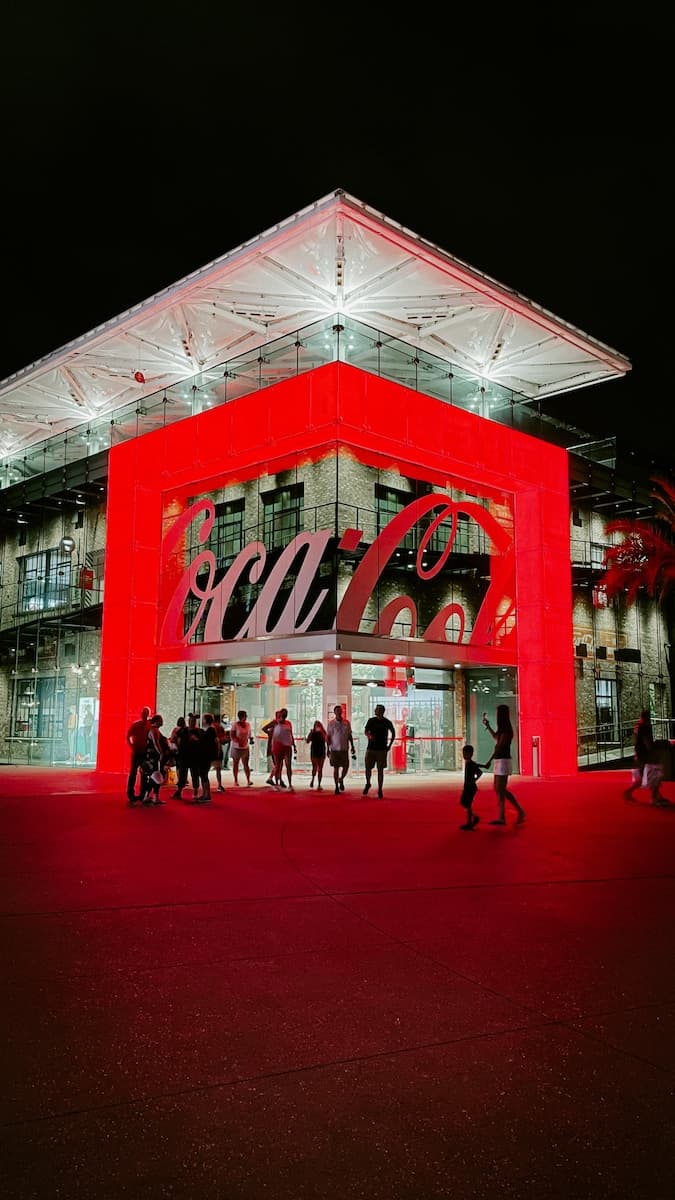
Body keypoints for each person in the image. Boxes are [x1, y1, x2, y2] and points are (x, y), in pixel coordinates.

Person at [482, 705, 526, 825]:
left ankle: (516, 812)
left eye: (498, 714)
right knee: (498, 789)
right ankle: (504, 815)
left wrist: (489, 760)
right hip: (499, 760)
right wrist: (488, 726)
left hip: (503, 761)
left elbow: (500, 746)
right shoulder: (503, 729)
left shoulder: (507, 731)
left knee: (500, 789)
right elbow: (496, 738)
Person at [624, 709, 671, 806]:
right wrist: (654, 749)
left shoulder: (638, 726)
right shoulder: (644, 727)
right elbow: (647, 742)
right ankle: (654, 797)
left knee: (646, 775)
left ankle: (654, 795)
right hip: (646, 755)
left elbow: (637, 741)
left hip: (640, 754)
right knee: (654, 773)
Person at [363, 704, 395, 798]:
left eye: (377, 709)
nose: (375, 710)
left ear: (381, 711)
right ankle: (368, 783)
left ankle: (380, 789)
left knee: (380, 770)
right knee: (368, 767)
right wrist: (369, 736)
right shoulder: (371, 720)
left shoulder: (387, 722)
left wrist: (389, 745)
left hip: (381, 749)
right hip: (371, 748)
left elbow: (393, 733)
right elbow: (366, 731)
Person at [326, 704, 356, 794]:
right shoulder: (331, 723)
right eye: (337, 711)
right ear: (334, 712)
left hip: (344, 748)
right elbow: (328, 737)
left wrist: (352, 746)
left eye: (340, 710)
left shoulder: (347, 723)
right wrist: (327, 749)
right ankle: (336, 787)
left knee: (346, 767)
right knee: (336, 768)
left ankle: (341, 779)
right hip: (334, 749)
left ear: (342, 712)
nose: (339, 712)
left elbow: (349, 735)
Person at [126, 704, 152, 804]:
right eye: (144, 713)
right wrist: (131, 746)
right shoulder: (136, 725)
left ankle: (142, 794)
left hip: (145, 752)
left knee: (144, 774)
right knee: (133, 773)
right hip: (136, 751)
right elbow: (128, 736)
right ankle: (131, 794)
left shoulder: (150, 726)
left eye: (146, 713)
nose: (145, 715)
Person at [142, 714, 167, 805]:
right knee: (155, 776)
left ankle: (152, 796)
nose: (162, 722)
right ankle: (148, 796)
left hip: (152, 757)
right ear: (156, 721)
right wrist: (161, 753)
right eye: (161, 720)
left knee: (155, 776)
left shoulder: (154, 730)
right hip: (153, 758)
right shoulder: (154, 730)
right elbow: (156, 743)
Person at [272, 708, 297, 790]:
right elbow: (265, 728)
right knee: (278, 766)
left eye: (286, 713)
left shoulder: (289, 723)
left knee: (288, 765)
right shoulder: (276, 722)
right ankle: (276, 784)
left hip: (287, 746)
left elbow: (291, 734)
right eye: (283, 713)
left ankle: (290, 784)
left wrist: (294, 745)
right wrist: (271, 734)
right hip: (278, 746)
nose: (285, 715)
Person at [458, 744, 482, 830]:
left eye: (466, 754)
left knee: (467, 804)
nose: (464, 755)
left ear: (471, 754)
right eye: (463, 753)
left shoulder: (471, 764)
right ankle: (474, 818)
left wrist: (474, 780)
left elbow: (479, 772)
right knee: (464, 803)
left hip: (470, 787)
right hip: (468, 787)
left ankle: (469, 822)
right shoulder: (469, 763)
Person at [230, 709, 253, 786]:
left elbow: (249, 734)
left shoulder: (248, 725)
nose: (246, 717)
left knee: (246, 764)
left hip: (245, 747)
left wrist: (250, 739)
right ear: (241, 717)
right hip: (236, 747)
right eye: (245, 716)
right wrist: (238, 741)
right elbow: (232, 735)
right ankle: (235, 780)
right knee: (236, 764)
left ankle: (248, 780)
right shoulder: (235, 725)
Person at [170, 716, 191, 799]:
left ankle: (179, 788)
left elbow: (173, 739)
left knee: (180, 768)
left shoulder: (177, 730)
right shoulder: (187, 730)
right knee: (184, 770)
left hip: (179, 752)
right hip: (186, 753)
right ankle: (181, 785)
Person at [262, 712, 285, 787]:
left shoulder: (283, 724)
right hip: (273, 746)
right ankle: (277, 780)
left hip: (280, 745)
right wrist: (270, 733)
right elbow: (264, 728)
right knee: (278, 764)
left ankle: (273, 778)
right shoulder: (274, 723)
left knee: (279, 764)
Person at [306, 720, 327, 789]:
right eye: (316, 726)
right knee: (314, 767)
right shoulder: (313, 732)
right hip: (314, 751)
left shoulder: (323, 732)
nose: (317, 727)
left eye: (318, 725)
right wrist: (311, 733)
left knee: (320, 768)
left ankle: (319, 784)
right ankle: (312, 779)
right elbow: (307, 741)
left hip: (321, 751)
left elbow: (326, 740)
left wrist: (321, 733)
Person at [211, 714, 227, 792]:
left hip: (211, 750)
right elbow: (224, 739)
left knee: (205, 769)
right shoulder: (220, 727)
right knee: (218, 769)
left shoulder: (211, 727)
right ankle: (219, 784)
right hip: (218, 749)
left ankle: (205, 785)